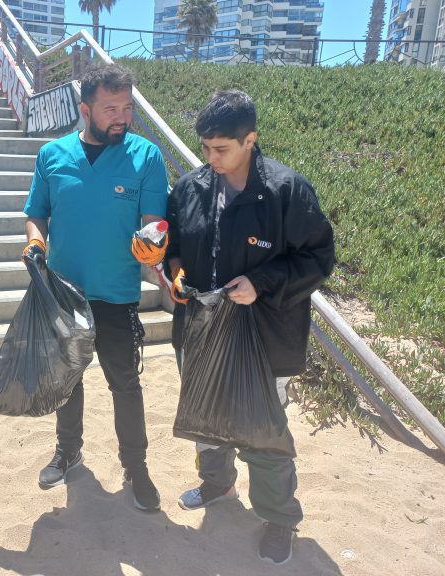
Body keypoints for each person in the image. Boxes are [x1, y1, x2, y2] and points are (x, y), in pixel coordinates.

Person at [165, 89, 334, 565]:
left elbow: (319, 259)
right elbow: (174, 249)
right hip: (200, 330)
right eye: (205, 148)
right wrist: (175, 274)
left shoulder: (287, 191)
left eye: (221, 149)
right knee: (205, 418)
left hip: (264, 336)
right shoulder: (190, 189)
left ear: (250, 140)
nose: (211, 159)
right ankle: (217, 485)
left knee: (264, 431)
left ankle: (278, 520)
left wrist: (261, 283)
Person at [23, 62, 169, 511]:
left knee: (125, 384)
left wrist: (153, 246)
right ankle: (68, 451)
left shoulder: (147, 157)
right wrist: (35, 243)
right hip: (65, 293)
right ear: (85, 110)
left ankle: (136, 467)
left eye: (127, 107)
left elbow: (154, 226)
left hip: (117, 295)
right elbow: (37, 212)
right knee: (67, 379)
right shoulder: (52, 155)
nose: (122, 117)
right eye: (111, 109)